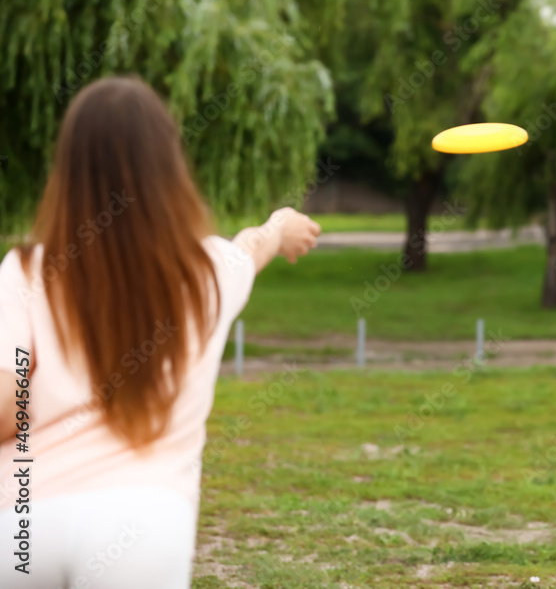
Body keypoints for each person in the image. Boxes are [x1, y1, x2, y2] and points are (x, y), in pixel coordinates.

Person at [0, 76, 322, 588]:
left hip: (24, 525)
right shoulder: (210, 271)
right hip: (144, 526)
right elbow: (251, 247)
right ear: (168, 169)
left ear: (68, 171)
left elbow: (6, 407)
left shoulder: (26, 271)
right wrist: (281, 225)